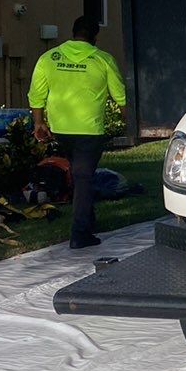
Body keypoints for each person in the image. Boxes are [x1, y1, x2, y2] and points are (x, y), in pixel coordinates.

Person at [27, 16, 127, 249]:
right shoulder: (102, 60)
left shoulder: (50, 58)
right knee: (83, 178)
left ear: (72, 33)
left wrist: (39, 122)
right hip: (89, 130)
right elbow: (120, 95)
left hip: (61, 129)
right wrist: (128, 119)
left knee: (80, 175)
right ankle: (80, 233)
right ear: (95, 36)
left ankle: (88, 221)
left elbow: (36, 94)